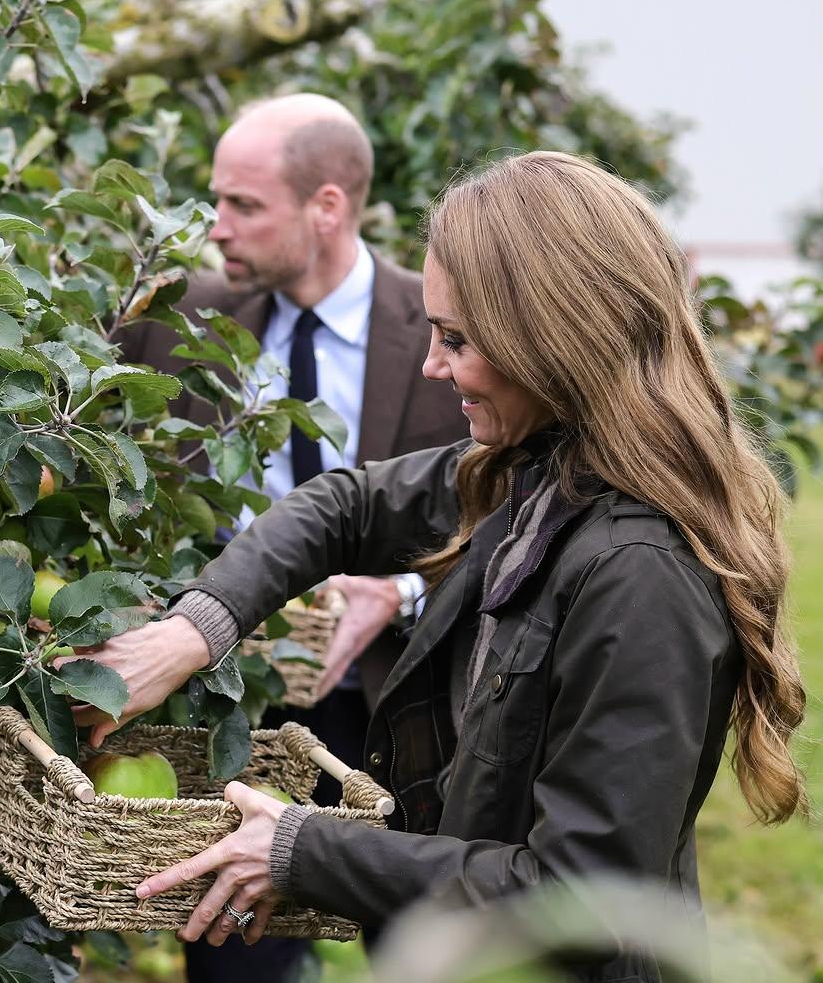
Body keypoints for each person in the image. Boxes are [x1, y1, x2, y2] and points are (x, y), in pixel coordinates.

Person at [66, 151, 807, 983]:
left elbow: (581, 899)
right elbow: (346, 505)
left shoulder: (640, 576)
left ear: (552, 337)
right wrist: (194, 632)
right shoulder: (540, 473)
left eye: (456, 339)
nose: (431, 364)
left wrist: (306, 848)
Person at [115, 92, 468, 980]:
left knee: (431, 946)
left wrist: (402, 591)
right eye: (214, 201)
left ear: (327, 208)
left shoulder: (441, 329)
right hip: (240, 689)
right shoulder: (185, 319)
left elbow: (500, 513)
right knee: (240, 957)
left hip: (398, 695)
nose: (217, 229)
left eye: (243, 205)